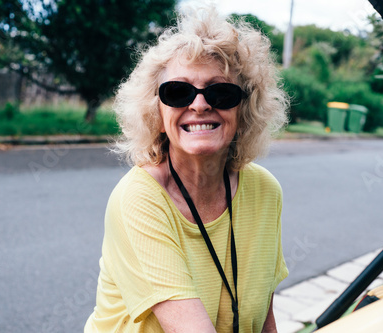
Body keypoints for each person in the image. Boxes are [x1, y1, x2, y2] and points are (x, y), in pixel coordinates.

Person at [85, 5, 289, 333]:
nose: (198, 104)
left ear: (245, 108)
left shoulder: (266, 191)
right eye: (178, 92)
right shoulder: (137, 199)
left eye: (220, 92)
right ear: (156, 112)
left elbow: (265, 321)